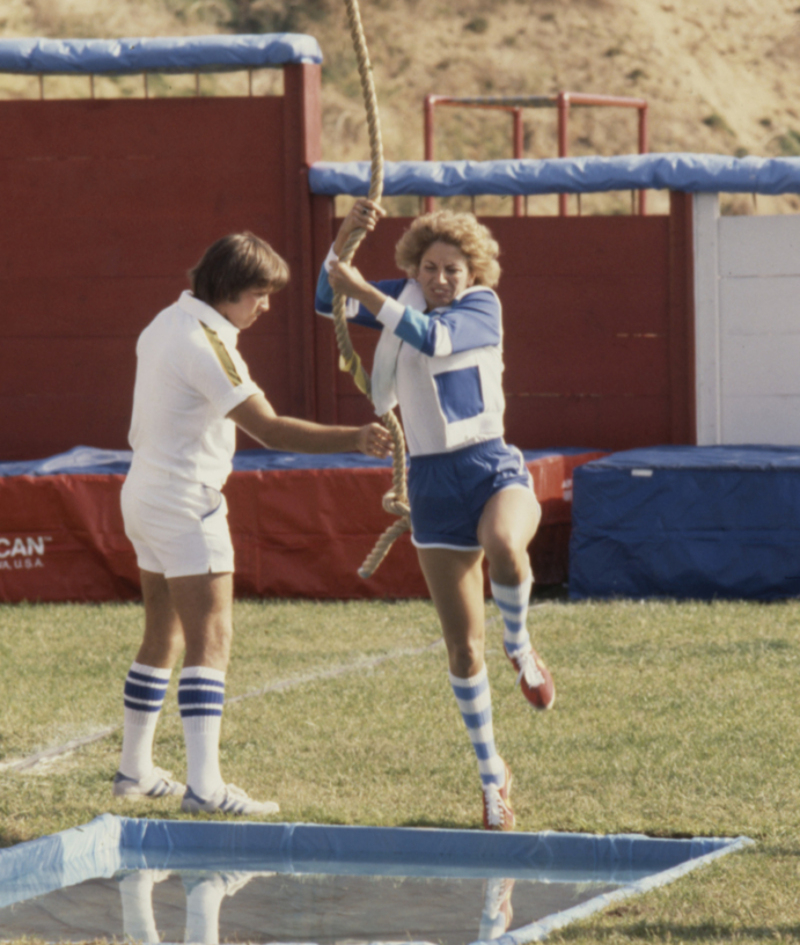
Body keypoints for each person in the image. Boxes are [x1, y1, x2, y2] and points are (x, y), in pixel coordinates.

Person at [115, 232, 392, 816]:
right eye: (259, 295)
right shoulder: (206, 341)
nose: (265, 306)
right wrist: (356, 438)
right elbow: (269, 430)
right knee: (210, 639)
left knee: (162, 633)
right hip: (185, 499)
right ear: (227, 291)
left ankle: (135, 771)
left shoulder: (165, 322)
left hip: (144, 492)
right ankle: (205, 788)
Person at [316, 201, 555, 830]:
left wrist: (366, 289)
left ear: (472, 272)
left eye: (452, 269)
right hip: (430, 482)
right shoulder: (406, 297)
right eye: (429, 268)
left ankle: (523, 647)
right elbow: (325, 301)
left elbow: (436, 340)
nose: (440, 280)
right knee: (459, 647)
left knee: (504, 542)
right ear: (415, 270)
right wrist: (346, 239)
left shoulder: (481, 309)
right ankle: (491, 774)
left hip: (490, 466)